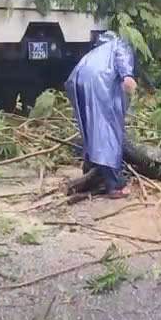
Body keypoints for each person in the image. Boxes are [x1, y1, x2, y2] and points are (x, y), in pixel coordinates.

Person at [65, 31, 138, 198]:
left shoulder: (95, 52)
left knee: (90, 128)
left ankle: (90, 169)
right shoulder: (119, 44)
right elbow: (126, 76)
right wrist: (129, 79)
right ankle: (114, 186)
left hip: (76, 80)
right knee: (108, 131)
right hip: (99, 83)